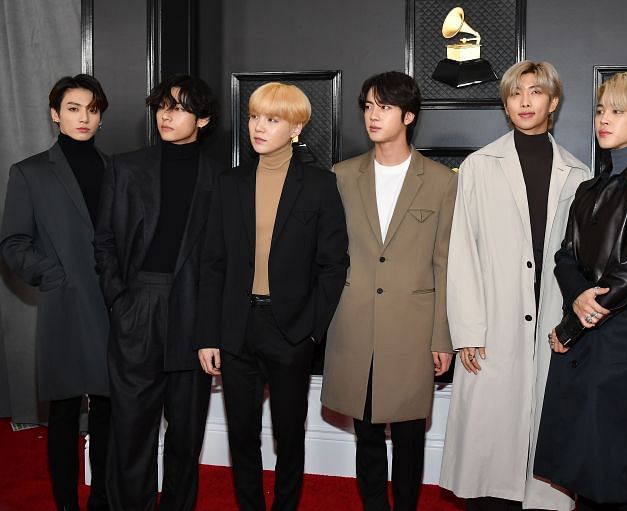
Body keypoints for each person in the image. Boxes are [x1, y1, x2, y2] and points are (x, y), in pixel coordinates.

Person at [439, 60, 590, 511]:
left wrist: (573, 326)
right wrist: (468, 330)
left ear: (554, 102)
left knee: (547, 447)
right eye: (515, 93)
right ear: (505, 104)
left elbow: (581, 260)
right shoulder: (478, 166)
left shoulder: (578, 174)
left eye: (536, 92)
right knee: (490, 453)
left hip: (553, 326)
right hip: (492, 329)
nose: (525, 101)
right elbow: (461, 252)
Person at [533, 71, 627, 511]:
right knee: (583, 465)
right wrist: (577, 302)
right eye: (601, 109)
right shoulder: (590, 186)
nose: (604, 119)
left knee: (621, 469)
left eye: (618, 111)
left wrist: (572, 324)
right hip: (589, 336)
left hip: (625, 341)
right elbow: (564, 258)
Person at [195, 82, 348, 511]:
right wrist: (209, 334)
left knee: (289, 433)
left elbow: (334, 264)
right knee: (241, 434)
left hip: (291, 331)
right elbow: (212, 264)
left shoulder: (319, 185)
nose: (258, 127)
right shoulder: (229, 184)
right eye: (254, 117)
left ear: (296, 127)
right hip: (236, 327)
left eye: (272, 119)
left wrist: (311, 330)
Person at [321, 71, 457, 511]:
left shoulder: (440, 180)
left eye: (384, 106)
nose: (373, 115)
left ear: (409, 115)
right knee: (366, 434)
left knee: (410, 436)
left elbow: (444, 262)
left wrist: (442, 337)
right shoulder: (341, 176)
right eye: (368, 106)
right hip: (354, 323)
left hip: (412, 329)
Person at [94, 74, 222, 511]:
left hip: (194, 310)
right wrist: (119, 299)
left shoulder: (222, 177)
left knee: (186, 433)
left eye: (181, 108)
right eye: (162, 106)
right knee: (131, 429)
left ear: (202, 119)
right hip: (138, 305)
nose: (167, 115)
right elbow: (104, 241)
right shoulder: (125, 167)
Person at [1, 74, 111, 511]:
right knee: (63, 414)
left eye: (92, 109)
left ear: (100, 116)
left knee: (108, 412)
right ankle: (66, 503)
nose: (84, 117)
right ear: (55, 114)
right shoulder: (28, 172)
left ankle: (101, 499)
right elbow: (12, 243)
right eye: (73, 108)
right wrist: (53, 275)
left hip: (110, 307)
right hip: (64, 307)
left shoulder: (115, 169)